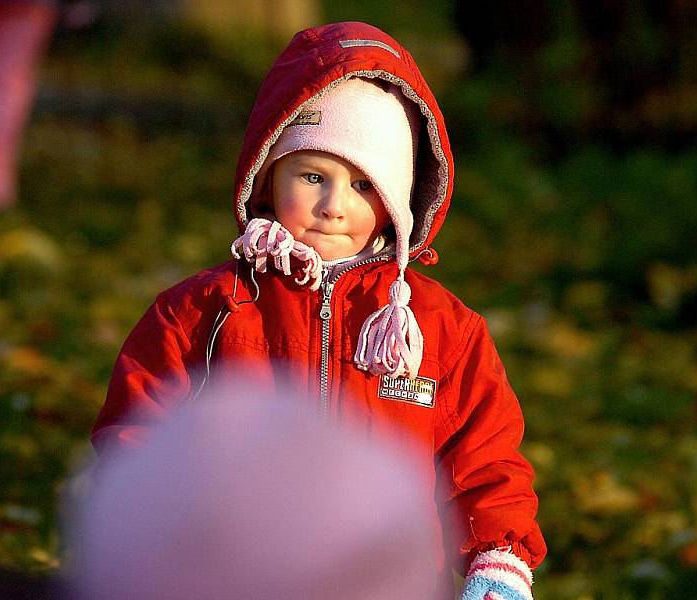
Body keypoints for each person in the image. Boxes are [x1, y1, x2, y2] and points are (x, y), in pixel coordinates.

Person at [92, 21, 546, 599]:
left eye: (363, 186)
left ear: (398, 204)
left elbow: (485, 459)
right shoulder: (204, 312)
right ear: (267, 174)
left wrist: (499, 561)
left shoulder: (440, 328)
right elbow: (138, 438)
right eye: (313, 176)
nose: (334, 206)